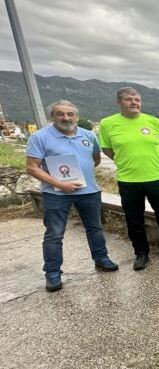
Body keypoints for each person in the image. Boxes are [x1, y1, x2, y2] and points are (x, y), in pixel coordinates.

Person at [25, 100, 118, 291]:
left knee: (95, 228)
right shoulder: (40, 137)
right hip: (56, 194)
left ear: (76, 116)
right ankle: (52, 272)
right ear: (53, 116)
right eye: (60, 114)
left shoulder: (88, 135)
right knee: (54, 234)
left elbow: (95, 159)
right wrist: (60, 183)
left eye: (70, 114)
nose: (66, 118)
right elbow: (32, 167)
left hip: (89, 191)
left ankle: (101, 258)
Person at [98, 87, 159, 270]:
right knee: (134, 218)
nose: (134, 102)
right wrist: (125, 161)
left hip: (156, 177)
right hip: (128, 180)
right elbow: (107, 149)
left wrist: (150, 160)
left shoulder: (154, 121)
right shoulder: (107, 124)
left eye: (137, 99)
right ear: (119, 102)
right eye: (129, 99)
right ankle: (141, 253)